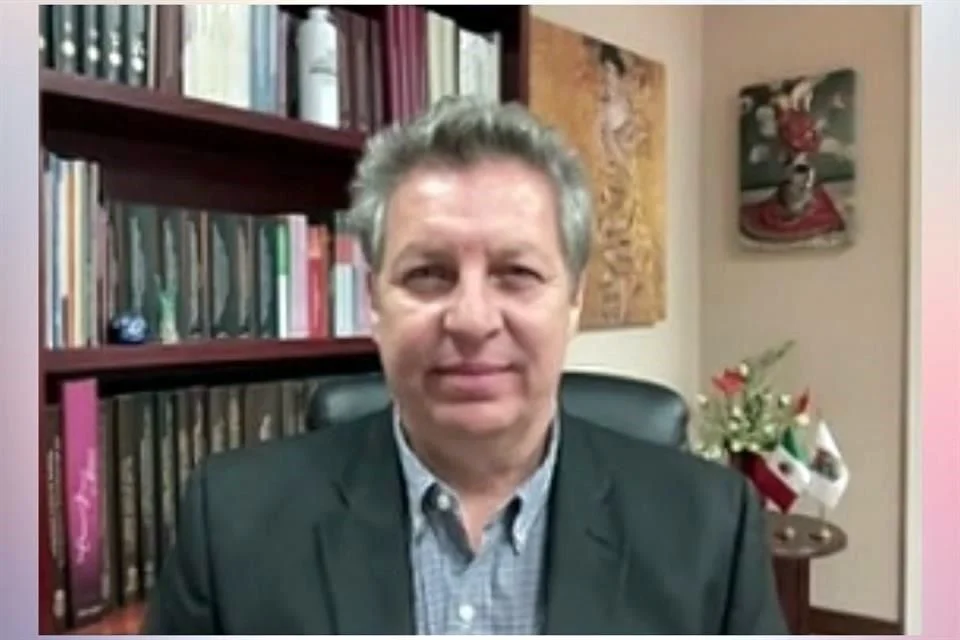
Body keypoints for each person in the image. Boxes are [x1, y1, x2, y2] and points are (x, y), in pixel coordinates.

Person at [142, 97, 788, 635]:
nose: (472, 320)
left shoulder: (711, 526)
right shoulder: (231, 521)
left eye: (517, 272)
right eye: (428, 273)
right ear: (374, 303)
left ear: (574, 301)